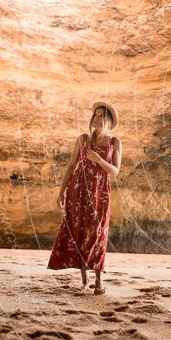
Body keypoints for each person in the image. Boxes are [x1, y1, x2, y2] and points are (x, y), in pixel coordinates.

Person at [47, 102, 122, 294]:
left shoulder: (115, 143)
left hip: (100, 194)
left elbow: (115, 171)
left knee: (98, 233)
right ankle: (85, 281)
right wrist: (61, 191)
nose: (95, 119)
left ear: (109, 121)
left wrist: (99, 160)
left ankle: (99, 280)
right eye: (94, 115)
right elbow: (72, 166)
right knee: (80, 232)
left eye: (100, 116)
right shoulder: (82, 140)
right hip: (77, 192)